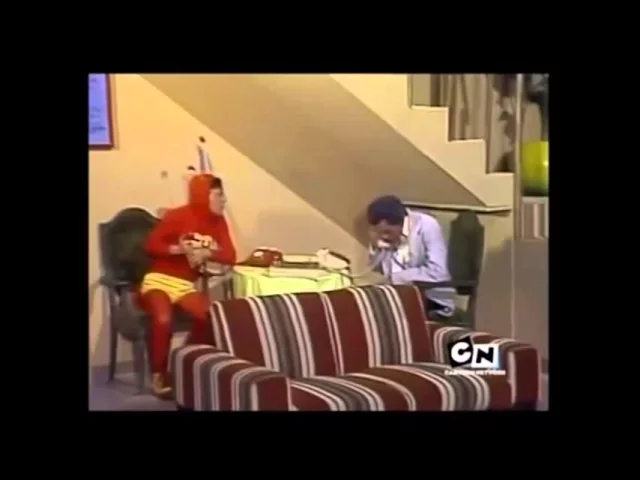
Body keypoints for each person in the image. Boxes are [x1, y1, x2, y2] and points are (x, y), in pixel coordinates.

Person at [140, 173, 237, 398]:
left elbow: (230, 255)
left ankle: (183, 363)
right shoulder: (178, 215)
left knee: (210, 317)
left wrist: (207, 253)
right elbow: (152, 245)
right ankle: (158, 375)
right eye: (219, 195)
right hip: (159, 279)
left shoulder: (219, 221)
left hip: (184, 284)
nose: (224, 200)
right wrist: (179, 249)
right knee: (163, 319)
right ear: (204, 196)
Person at [366, 195, 455, 320]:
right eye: (380, 232)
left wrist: (397, 278)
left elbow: (438, 271)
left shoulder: (427, 225)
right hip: (398, 294)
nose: (384, 236)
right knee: (366, 307)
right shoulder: (386, 236)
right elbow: (377, 269)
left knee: (381, 314)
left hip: (430, 296)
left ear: (400, 223)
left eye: (387, 232)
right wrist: (375, 247)